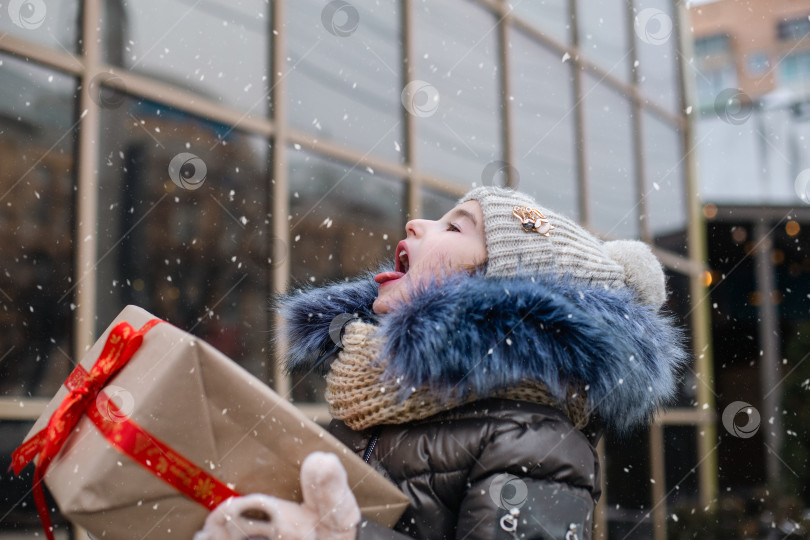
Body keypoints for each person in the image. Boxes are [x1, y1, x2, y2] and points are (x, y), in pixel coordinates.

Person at [194, 186, 687, 539]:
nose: (416, 224)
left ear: (492, 287)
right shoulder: (379, 403)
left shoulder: (538, 443)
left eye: (455, 227)